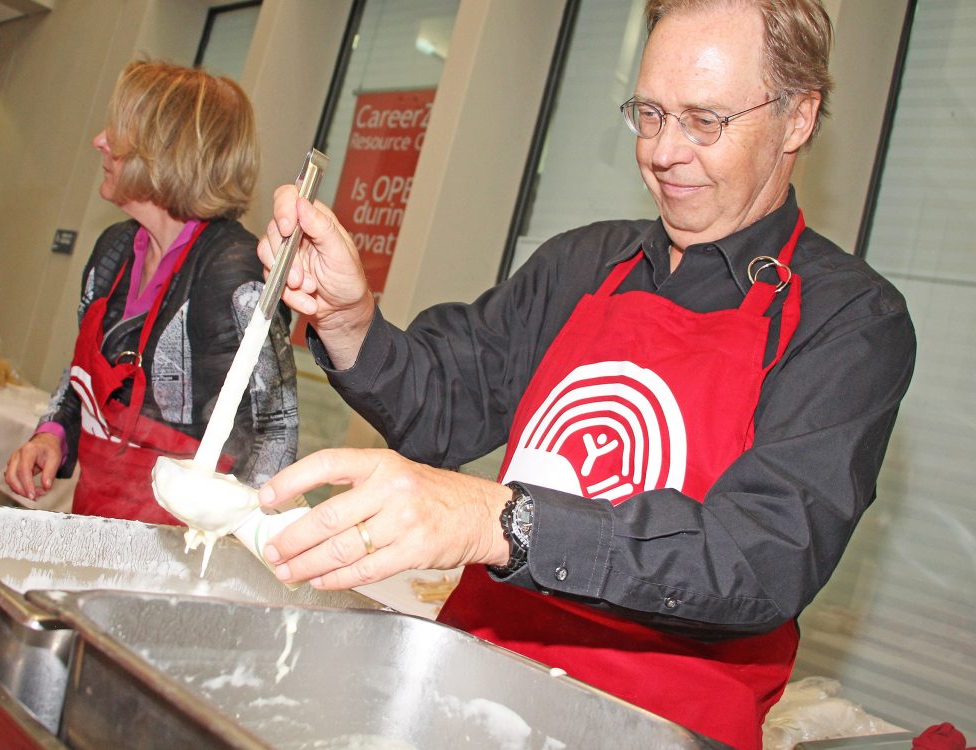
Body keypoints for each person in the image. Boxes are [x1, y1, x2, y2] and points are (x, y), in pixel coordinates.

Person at [254, 1, 916, 748]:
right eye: (650, 113)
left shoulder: (849, 320)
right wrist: (349, 320)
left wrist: (499, 520)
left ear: (797, 119)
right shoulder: (584, 263)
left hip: (656, 728)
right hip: (467, 695)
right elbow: (446, 403)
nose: (664, 152)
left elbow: (758, 555)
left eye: (705, 121)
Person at [5, 60, 298, 523]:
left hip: (179, 543)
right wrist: (53, 435)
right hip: (94, 515)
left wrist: (221, 544)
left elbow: (274, 432)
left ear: (165, 152)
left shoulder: (234, 271)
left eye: (118, 132)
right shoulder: (114, 250)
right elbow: (82, 374)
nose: (99, 140)